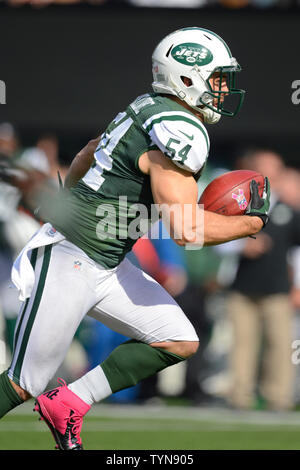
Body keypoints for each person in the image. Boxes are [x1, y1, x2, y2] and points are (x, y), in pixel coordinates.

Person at [0, 27, 270, 450]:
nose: (222, 90)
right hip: (73, 256)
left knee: (177, 337)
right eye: (217, 78)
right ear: (187, 77)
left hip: (105, 261)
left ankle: (69, 402)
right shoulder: (178, 127)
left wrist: (68, 199)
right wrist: (251, 223)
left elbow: (87, 152)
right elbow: (185, 230)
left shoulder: (147, 107)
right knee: (24, 382)